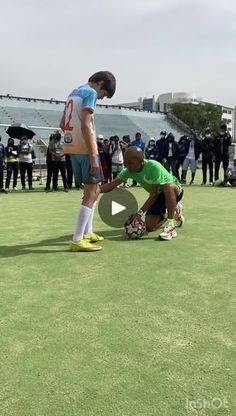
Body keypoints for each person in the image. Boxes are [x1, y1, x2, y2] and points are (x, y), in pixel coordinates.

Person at [60, 70, 116, 252]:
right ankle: (77, 239)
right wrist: (93, 155)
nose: (102, 98)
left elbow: (62, 124)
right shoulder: (90, 93)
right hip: (86, 149)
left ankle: (87, 232)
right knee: (92, 193)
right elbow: (86, 125)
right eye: (104, 94)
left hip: (72, 148)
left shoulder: (73, 92)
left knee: (92, 191)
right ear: (99, 83)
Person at [100, 147, 184, 241]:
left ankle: (171, 226)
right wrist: (94, 191)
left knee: (167, 186)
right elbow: (111, 185)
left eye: (130, 163)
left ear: (141, 161)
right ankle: (169, 212)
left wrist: (139, 213)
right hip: (159, 196)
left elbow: (153, 195)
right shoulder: (128, 171)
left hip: (174, 191)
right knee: (150, 227)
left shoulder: (154, 166)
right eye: (125, 163)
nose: (127, 166)